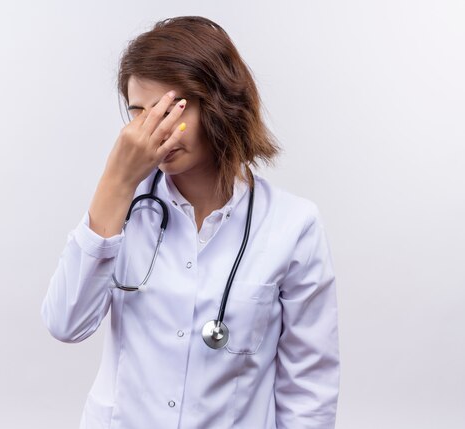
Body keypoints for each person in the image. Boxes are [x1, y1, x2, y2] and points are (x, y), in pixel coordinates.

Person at [42, 15, 339, 429]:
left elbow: (309, 388)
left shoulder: (293, 225)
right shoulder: (120, 208)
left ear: (219, 103)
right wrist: (115, 181)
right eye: (140, 114)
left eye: (172, 109)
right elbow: (65, 324)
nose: (155, 131)